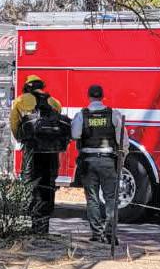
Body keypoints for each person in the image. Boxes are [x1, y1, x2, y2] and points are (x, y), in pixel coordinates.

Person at [71, 84, 129, 244]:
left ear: (89, 96)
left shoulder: (82, 115)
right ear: (102, 97)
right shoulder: (114, 114)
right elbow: (123, 141)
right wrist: (122, 159)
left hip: (88, 161)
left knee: (92, 198)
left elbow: (75, 134)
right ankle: (110, 234)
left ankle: (97, 234)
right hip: (108, 161)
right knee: (111, 198)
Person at [9, 75, 63, 234]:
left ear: (27, 87)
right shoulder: (55, 102)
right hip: (51, 153)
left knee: (32, 186)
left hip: (32, 152)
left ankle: (35, 225)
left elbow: (14, 125)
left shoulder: (20, 101)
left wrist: (21, 138)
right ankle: (44, 226)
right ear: (42, 87)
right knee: (48, 187)